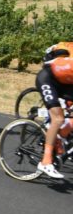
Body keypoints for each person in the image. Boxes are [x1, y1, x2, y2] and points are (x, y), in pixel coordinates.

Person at [35, 42, 73, 179]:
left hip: (65, 81)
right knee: (58, 119)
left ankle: (58, 137)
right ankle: (45, 162)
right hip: (47, 78)